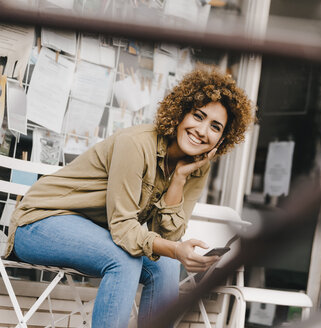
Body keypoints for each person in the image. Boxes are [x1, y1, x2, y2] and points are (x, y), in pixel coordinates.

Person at [5, 67, 255, 327]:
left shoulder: (196, 166)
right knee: (123, 260)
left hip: (97, 231)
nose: (202, 131)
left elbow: (167, 239)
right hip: (39, 222)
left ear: (222, 139)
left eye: (215, 127)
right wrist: (176, 250)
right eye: (198, 116)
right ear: (181, 113)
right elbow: (125, 230)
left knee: (167, 266)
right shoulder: (135, 144)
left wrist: (179, 178)